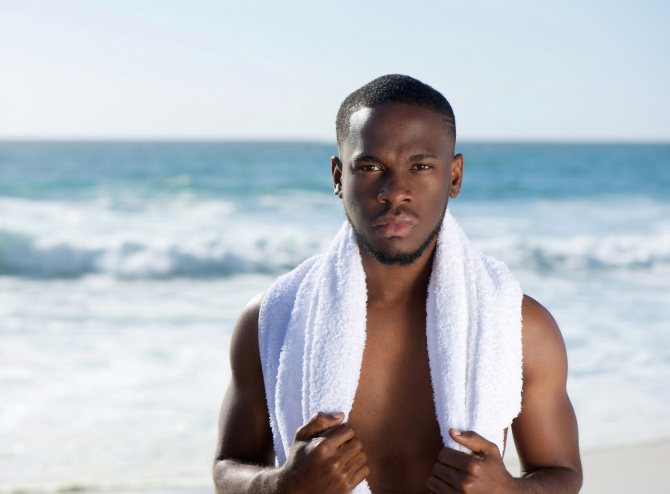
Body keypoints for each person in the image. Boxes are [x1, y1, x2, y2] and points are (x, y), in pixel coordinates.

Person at [213, 75, 582, 494]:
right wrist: (281, 486)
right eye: (370, 167)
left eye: (420, 166)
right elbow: (228, 467)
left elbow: (562, 472)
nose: (395, 192)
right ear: (338, 177)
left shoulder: (519, 325)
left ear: (455, 176)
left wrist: (512, 492)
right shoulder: (272, 318)